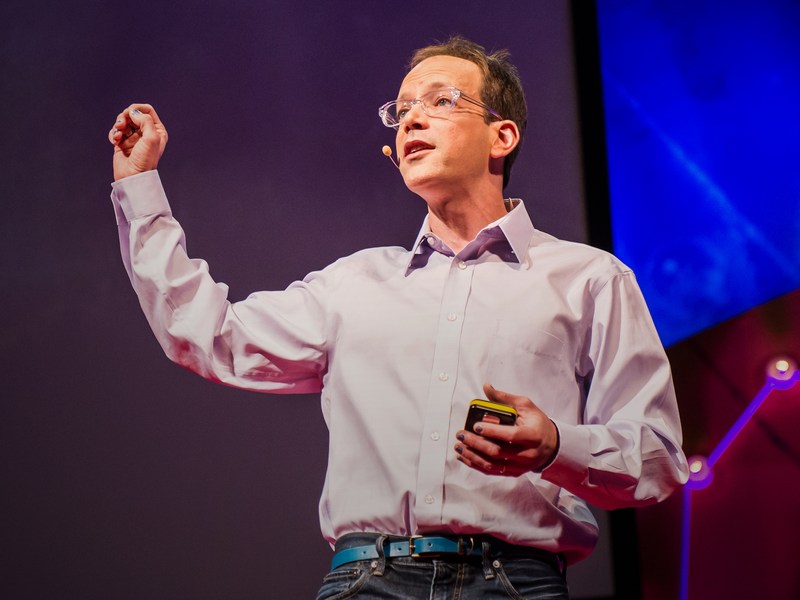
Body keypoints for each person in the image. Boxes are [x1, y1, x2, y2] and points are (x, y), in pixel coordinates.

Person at [108, 36, 688, 599]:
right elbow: (208, 335)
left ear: (501, 135)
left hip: (518, 581)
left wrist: (557, 445)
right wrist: (138, 187)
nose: (411, 120)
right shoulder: (352, 283)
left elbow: (658, 456)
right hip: (367, 580)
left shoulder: (589, 278)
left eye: (439, 101)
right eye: (402, 110)